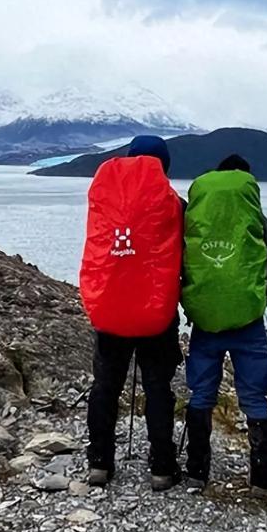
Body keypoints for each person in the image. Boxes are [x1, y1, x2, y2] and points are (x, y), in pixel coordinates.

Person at [80, 135, 184, 491]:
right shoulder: (173, 203)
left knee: (106, 387)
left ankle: (99, 463)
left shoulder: (104, 197)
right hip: (156, 313)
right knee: (157, 389)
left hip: (110, 308)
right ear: (162, 164)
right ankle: (162, 468)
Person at [181, 154, 267, 497]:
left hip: (207, 317)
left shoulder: (195, 215)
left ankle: (196, 473)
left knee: (202, 393)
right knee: (254, 397)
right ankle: (261, 480)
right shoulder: (255, 217)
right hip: (248, 318)